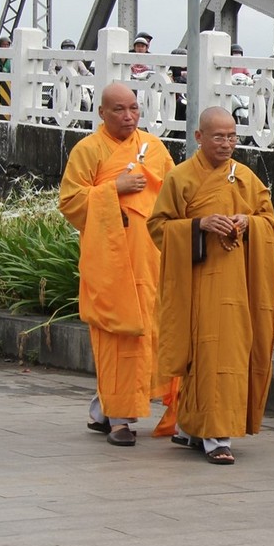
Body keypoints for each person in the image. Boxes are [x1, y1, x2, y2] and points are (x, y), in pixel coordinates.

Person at [147, 107, 274, 465]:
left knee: (229, 355)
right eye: (218, 136)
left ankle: (195, 428)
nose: (226, 143)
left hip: (238, 286)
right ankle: (214, 436)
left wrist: (248, 222)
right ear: (199, 137)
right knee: (204, 355)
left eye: (232, 136)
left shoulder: (246, 177)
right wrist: (198, 225)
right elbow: (158, 227)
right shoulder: (180, 178)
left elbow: (270, 222)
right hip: (197, 284)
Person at [58, 82, 177, 447]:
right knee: (117, 339)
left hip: (151, 261)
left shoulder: (153, 148)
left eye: (133, 109)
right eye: (119, 110)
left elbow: (175, 194)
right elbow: (70, 202)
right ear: (102, 113)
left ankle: (103, 410)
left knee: (150, 337)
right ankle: (120, 420)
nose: (128, 116)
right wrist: (114, 189)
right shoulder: (88, 150)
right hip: (111, 265)